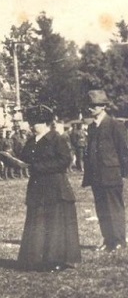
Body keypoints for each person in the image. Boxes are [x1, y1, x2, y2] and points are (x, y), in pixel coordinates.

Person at [16, 105, 80, 271]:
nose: (32, 126)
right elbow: (25, 157)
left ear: (45, 123)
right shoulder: (32, 140)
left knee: (54, 223)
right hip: (38, 187)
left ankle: (55, 259)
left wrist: (38, 167)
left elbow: (64, 160)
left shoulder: (57, 139)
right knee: (37, 221)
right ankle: (35, 258)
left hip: (55, 187)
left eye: (35, 123)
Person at [82, 90, 128, 252]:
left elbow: (124, 149)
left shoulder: (115, 124)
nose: (91, 109)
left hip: (111, 173)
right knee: (101, 208)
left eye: (94, 106)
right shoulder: (92, 127)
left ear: (103, 106)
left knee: (114, 208)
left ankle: (119, 241)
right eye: (89, 106)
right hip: (96, 175)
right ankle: (107, 240)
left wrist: (124, 173)